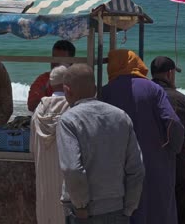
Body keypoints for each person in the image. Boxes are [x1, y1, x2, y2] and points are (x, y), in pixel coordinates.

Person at [101, 50, 184, 224]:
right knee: (158, 207)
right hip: (155, 160)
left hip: (118, 163)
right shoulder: (153, 89)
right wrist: (172, 148)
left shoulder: (105, 92)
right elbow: (171, 122)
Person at [56, 64, 145, 224]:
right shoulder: (121, 117)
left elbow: (72, 169)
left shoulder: (69, 120)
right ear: (95, 88)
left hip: (85, 213)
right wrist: (129, 208)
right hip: (118, 208)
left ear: (67, 91)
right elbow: (136, 169)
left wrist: (81, 207)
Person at [151, 56, 185, 224]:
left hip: (153, 165)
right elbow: (184, 132)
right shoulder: (179, 98)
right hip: (180, 165)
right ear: (170, 74)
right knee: (184, 214)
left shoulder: (144, 96)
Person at [30, 65, 70, 224]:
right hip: (66, 184)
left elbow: (32, 149)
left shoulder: (38, 111)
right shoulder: (73, 110)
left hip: (44, 181)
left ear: (49, 85)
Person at [27, 40, 76, 112]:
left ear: (71, 62)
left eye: (61, 60)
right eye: (54, 58)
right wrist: (45, 88)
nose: (55, 63)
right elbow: (31, 106)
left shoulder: (78, 80)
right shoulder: (43, 79)